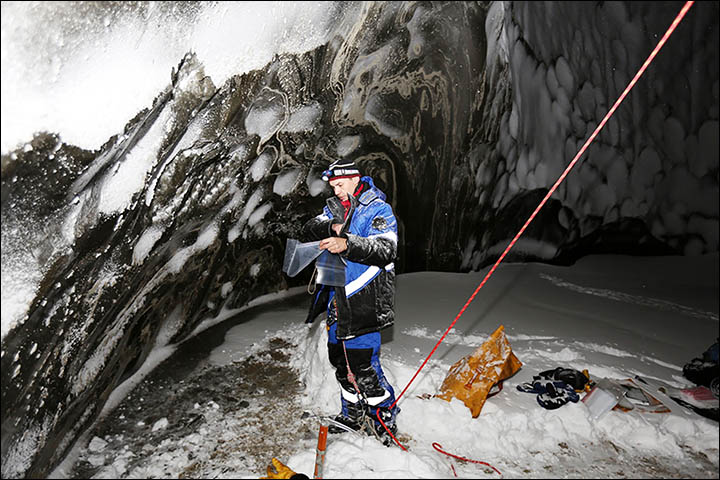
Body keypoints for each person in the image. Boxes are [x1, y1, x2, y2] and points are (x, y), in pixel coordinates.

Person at [301, 159, 399, 443]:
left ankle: (384, 418)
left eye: (340, 185)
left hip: (364, 299)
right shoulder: (332, 207)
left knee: (364, 367)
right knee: (340, 362)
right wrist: (331, 226)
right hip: (336, 300)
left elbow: (386, 249)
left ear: (356, 179)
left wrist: (348, 242)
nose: (337, 190)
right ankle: (352, 415)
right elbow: (309, 229)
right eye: (332, 186)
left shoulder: (378, 209)